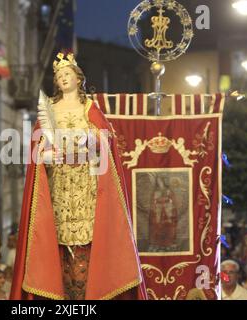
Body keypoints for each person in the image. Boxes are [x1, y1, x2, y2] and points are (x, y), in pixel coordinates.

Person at [11, 52, 146, 300]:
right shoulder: (49, 109)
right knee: (56, 249)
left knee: (90, 248)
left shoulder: (90, 108)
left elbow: (107, 142)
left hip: (88, 190)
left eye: (67, 74)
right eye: (59, 75)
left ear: (78, 78)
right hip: (58, 189)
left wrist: (90, 139)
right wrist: (44, 156)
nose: (63, 78)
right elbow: (37, 146)